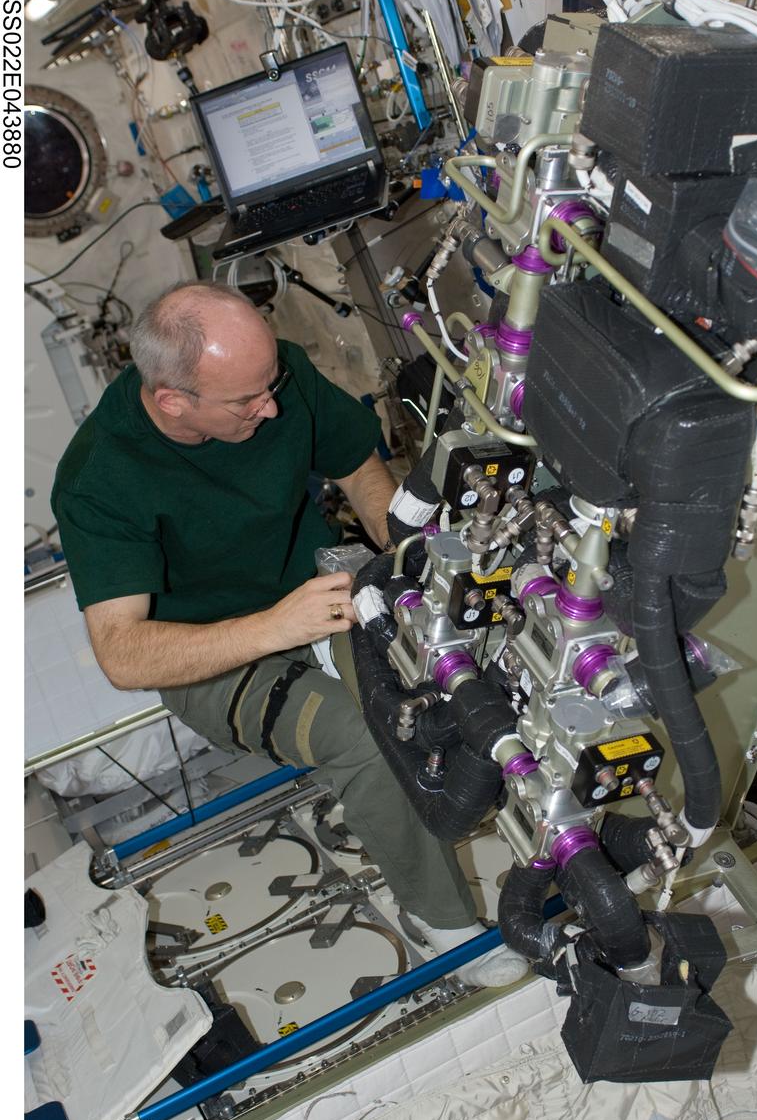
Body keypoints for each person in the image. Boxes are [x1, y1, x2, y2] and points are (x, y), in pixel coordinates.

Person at [51, 279, 527, 988]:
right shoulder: (99, 477)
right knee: (363, 734)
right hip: (209, 657)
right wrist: (278, 625)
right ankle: (443, 920)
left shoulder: (276, 376)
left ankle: (518, 819)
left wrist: (409, 554)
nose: (270, 407)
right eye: (247, 402)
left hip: (322, 587)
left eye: (269, 384)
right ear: (173, 400)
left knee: (454, 661)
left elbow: (359, 467)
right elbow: (123, 652)